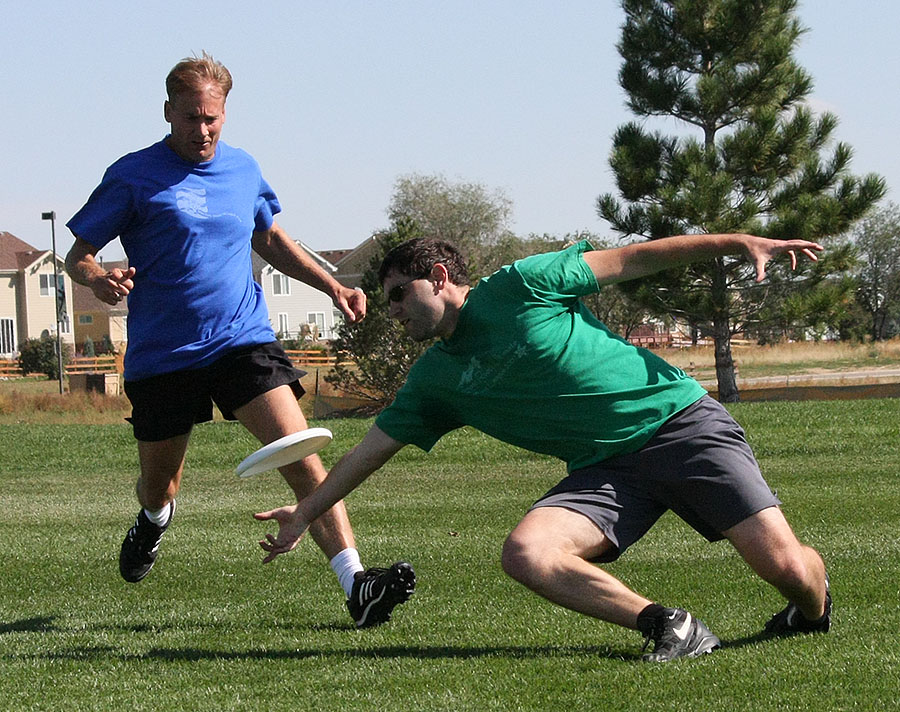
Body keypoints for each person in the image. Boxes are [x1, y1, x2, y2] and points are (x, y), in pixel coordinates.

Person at [254, 233, 832, 661]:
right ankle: (668, 625)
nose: (395, 311)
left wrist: (738, 243)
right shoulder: (434, 380)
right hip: (607, 471)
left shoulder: (522, 284)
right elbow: (367, 454)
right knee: (527, 554)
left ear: (437, 276)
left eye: (399, 295)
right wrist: (305, 512)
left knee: (787, 570)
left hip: (681, 425)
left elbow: (634, 258)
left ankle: (812, 608)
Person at [64, 52, 414, 629]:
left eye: (213, 120)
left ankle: (356, 582)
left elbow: (271, 238)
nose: (202, 131)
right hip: (163, 356)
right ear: (168, 111)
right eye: (190, 118)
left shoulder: (244, 170)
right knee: (160, 485)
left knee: (302, 453)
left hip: (241, 340)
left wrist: (331, 285)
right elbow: (78, 255)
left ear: (225, 115)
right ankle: (153, 520)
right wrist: (99, 278)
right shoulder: (132, 174)